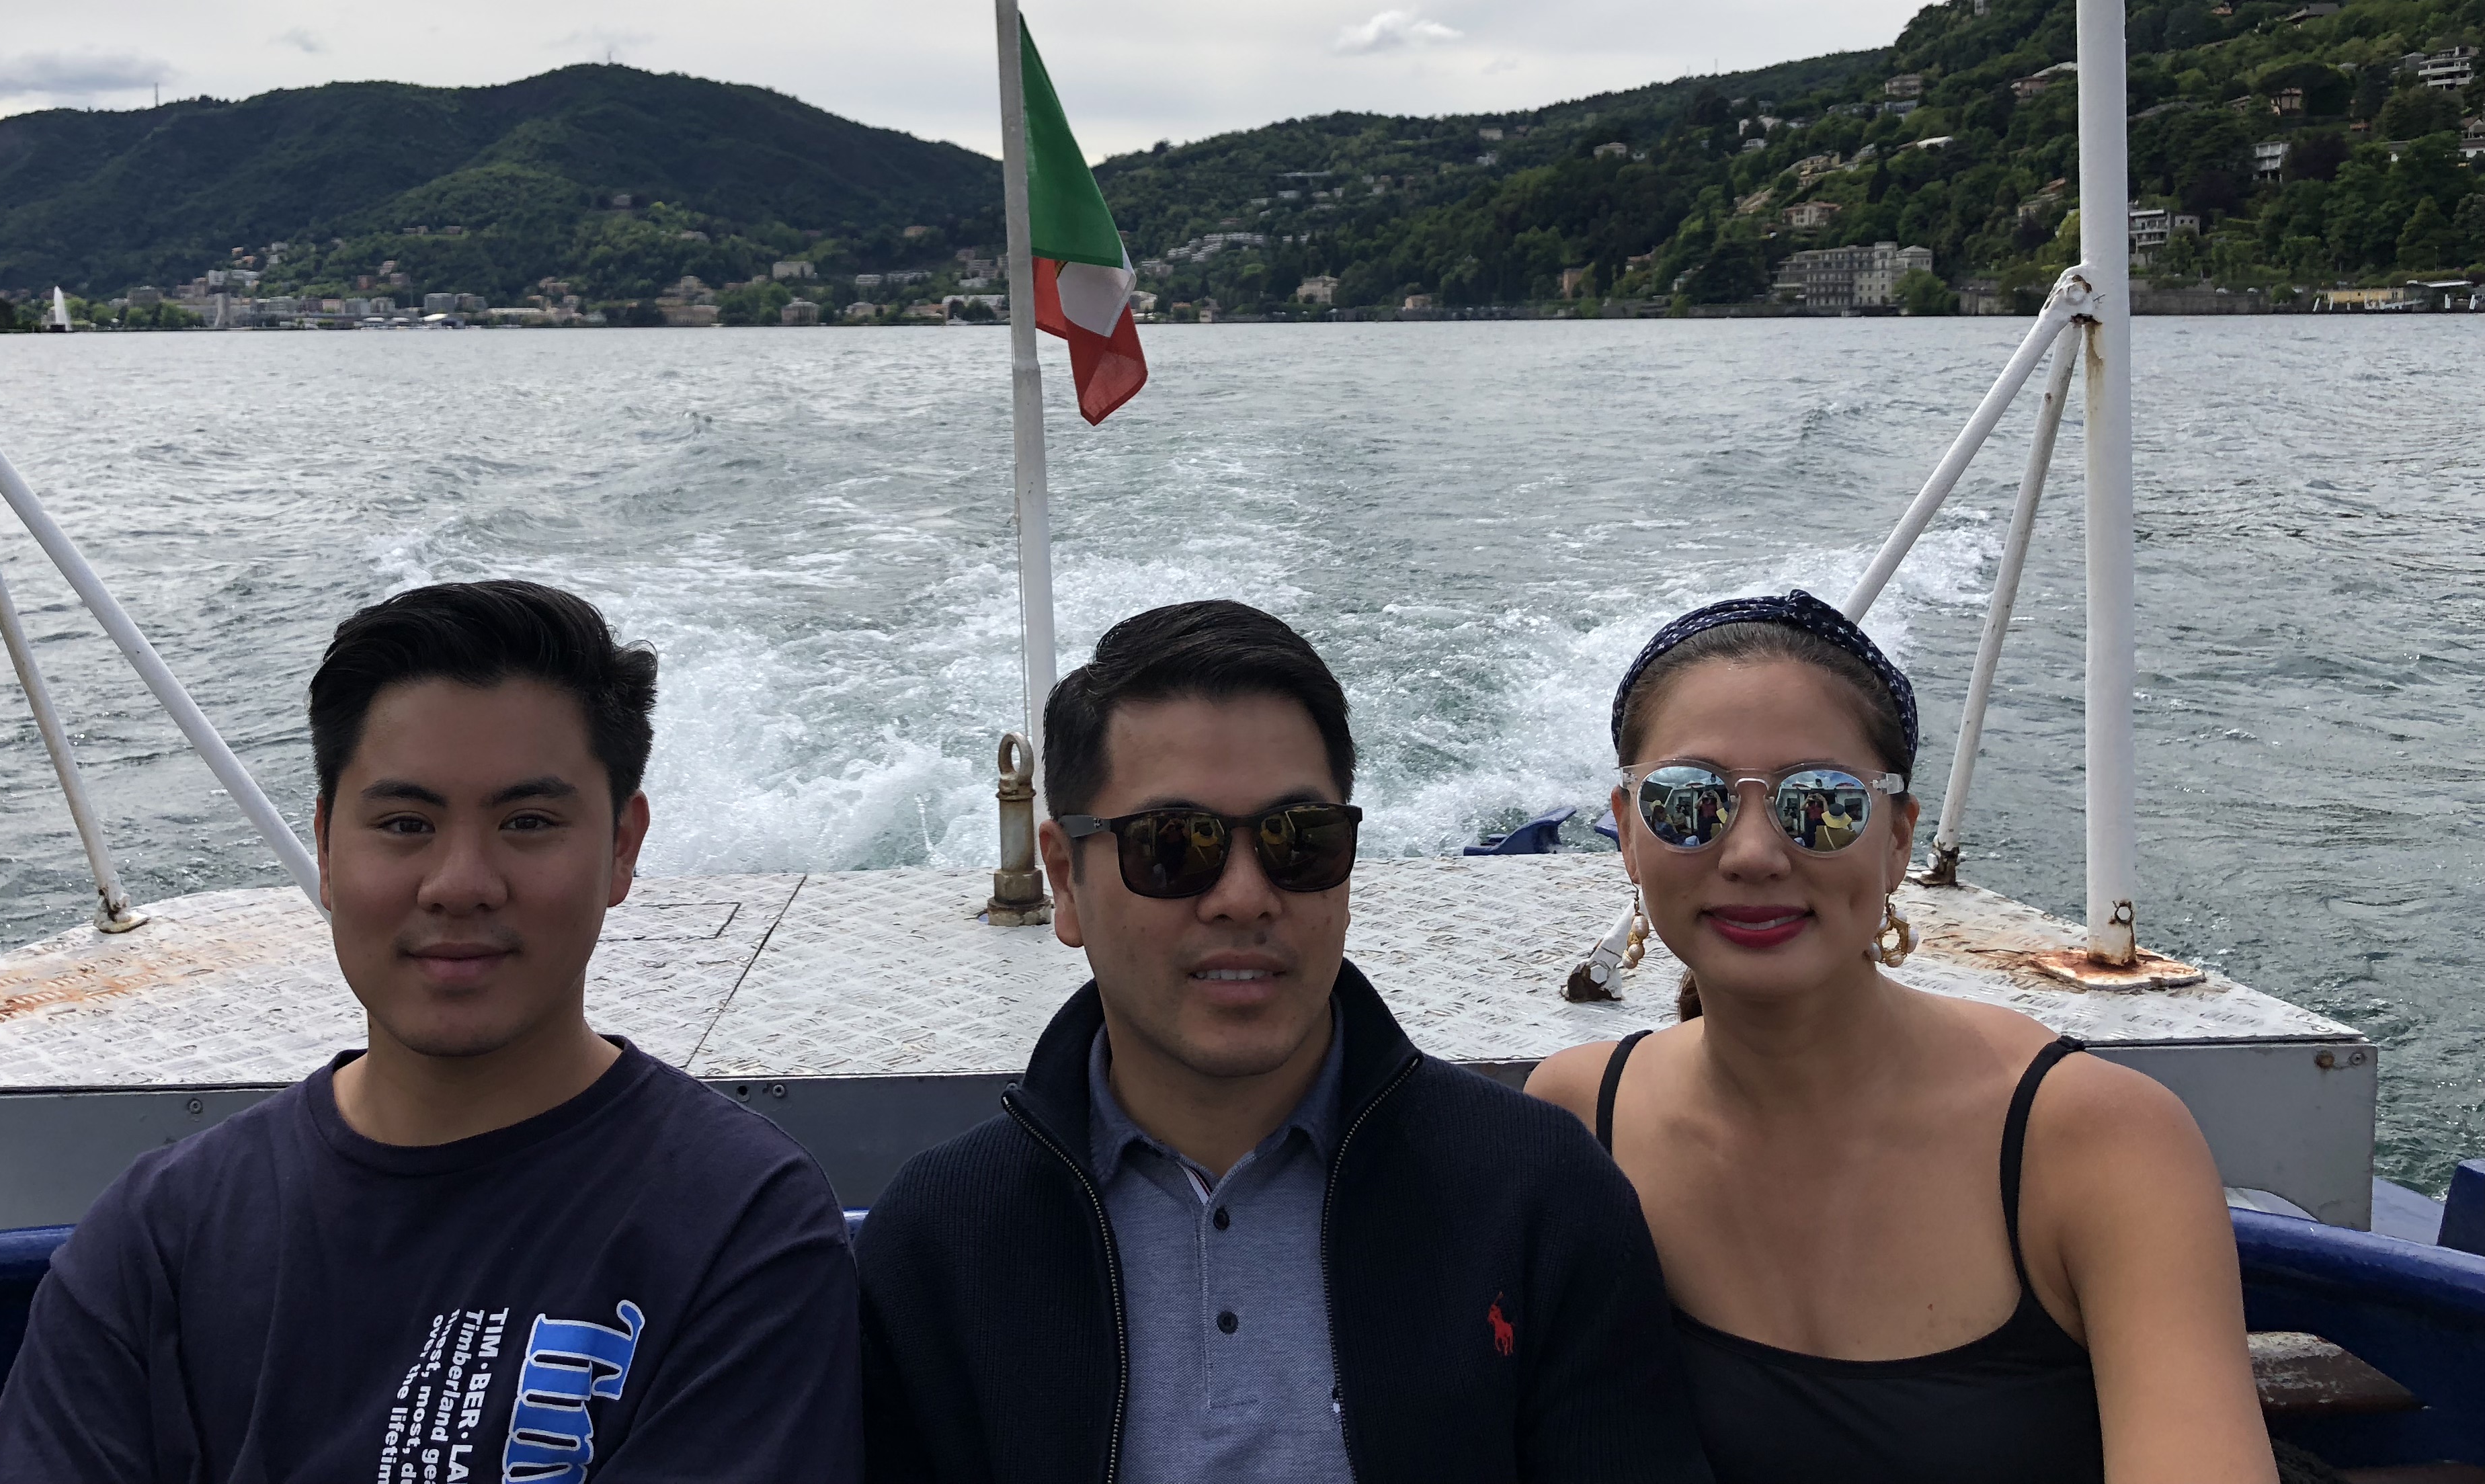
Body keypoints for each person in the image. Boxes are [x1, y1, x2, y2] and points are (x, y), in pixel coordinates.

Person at [0, 579, 862, 1484]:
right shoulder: (162, 1238)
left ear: (621, 848)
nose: (460, 883)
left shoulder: (737, 1227)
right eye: (406, 824)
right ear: (327, 851)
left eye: (528, 823)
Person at [854, 598, 1709, 1484]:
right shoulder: (940, 1249)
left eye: (1298, 841)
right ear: (1066, 881)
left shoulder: (1538, 1203)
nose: (1243, 897)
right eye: (1172, 846)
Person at [1526, 591, 2273, 1484]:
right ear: (1626, 832)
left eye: (1823, 803)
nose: (1754, 853)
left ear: (1897, 840)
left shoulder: (2098, 1146)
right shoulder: (1577, 1122)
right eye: (1689, 803)